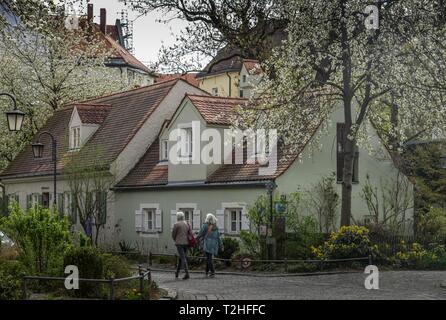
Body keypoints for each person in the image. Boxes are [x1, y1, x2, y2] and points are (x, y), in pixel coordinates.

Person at [197, 213, 223, 278]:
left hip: (207, 244)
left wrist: (196, 238)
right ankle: (206, 271)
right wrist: (221, 245)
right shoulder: (216, 227)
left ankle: (212, 272)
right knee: (209, 257)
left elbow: (200, 234)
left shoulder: (205, 226)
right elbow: (218, 237)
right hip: (214, 244)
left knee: (209, 258)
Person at [171, 211, 190, 280]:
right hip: (186, 243)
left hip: (179, 243)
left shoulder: (176, 224)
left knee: (183, 258)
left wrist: (175, 240)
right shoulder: (186, 223)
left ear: (178, 217)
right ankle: (177, 272)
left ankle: (187, 274)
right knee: (181, 258)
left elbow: (173, 234)